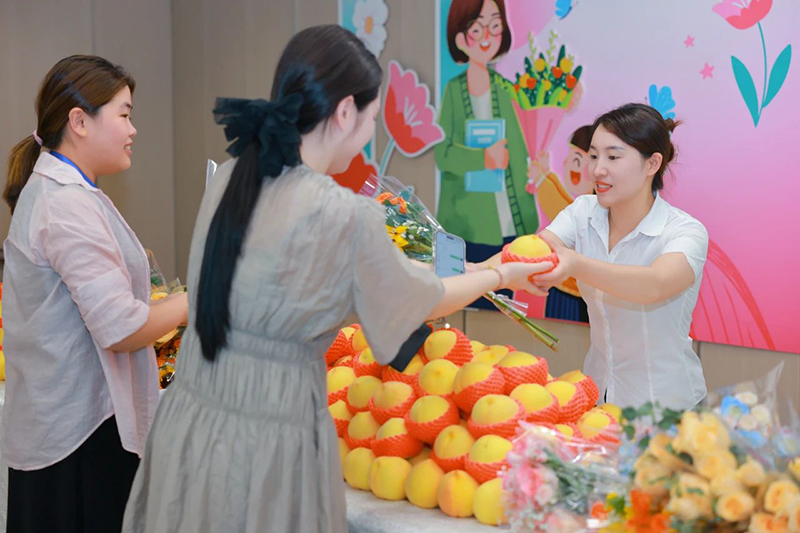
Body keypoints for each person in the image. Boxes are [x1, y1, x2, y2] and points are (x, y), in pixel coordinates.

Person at [122, 25, 550, 533]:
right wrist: (501, 273)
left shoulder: (237, 175)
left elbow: (330, 274)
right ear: (346, 112)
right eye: (372, 117)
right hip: (268, 437)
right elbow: (424, 299)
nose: (370, 131)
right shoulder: (340, 213)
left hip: (193, 421)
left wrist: (472, 270)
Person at [1, 55, 188, 532]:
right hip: (78, 442)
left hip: (69, 430)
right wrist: (196, 300)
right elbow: (120, 328)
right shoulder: (64, 204)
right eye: (124, 114)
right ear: (79, 122)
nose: (133, 129)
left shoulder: (67, 194)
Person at [483, 103, 708, 410]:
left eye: (613, 157)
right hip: (597, 397)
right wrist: (473, 271)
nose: (597, 169)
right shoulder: (583, 211)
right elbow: (533, 249)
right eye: (593, 156)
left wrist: (576, 264)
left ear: (652, 164)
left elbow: (655, 284)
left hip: (667, 408)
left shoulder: (685, 231)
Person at [435, 0, 540, 304]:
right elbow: (443, 154)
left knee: (502, 304)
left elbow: (520, 147)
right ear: (459, 38)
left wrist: (533, 170)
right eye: (476, 29)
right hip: (467, 222)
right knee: (463, 301)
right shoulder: (453, 92)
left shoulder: (507, 90)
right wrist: (483, 158)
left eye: (494, 26)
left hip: (508, 220)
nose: (486, 37)